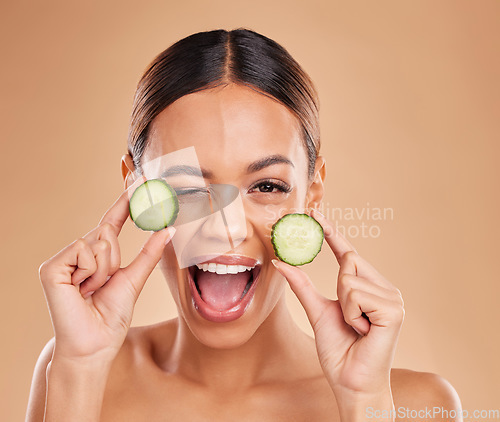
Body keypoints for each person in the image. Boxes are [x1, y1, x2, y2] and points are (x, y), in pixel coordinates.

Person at [26, 28, 462, 421]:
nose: (225, 228)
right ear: (136, 190)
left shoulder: (417, 406)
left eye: (267, 186)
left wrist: (364, 402)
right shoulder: (72, 370)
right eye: (186, 186)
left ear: (311, 193)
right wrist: (80, 368)